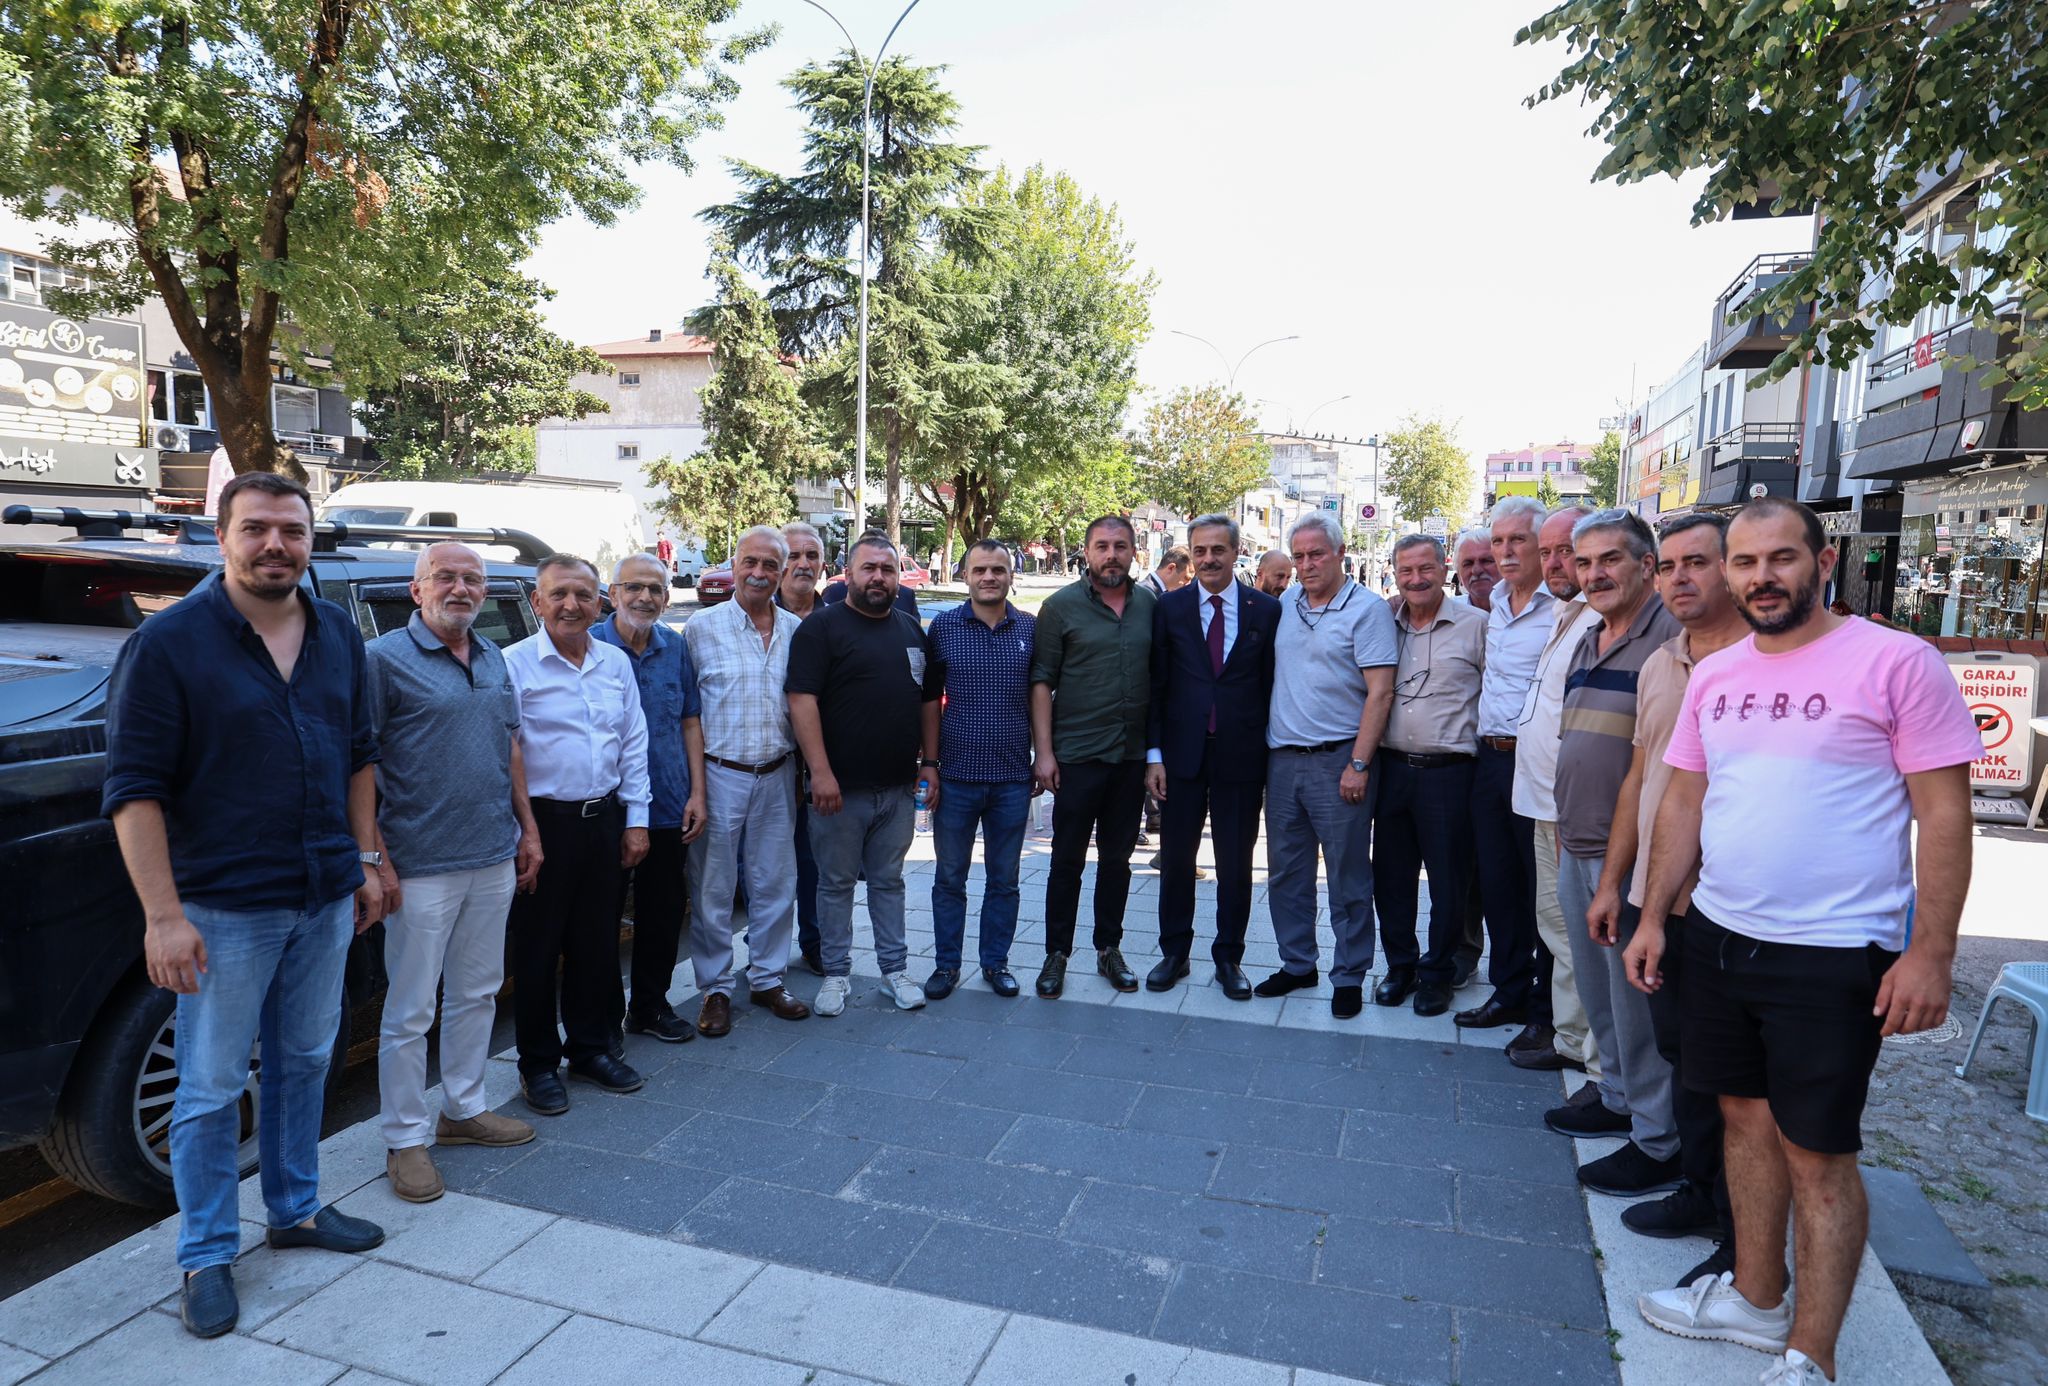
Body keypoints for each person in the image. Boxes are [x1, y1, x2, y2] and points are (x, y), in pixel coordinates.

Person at [1632, 498, 1979, 1386]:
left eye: (1781, 559)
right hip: (1719, 934)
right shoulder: (1717, 673)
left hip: (1834, 952)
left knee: (1818, 1153)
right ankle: (1755, 1298)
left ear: (1823, 563)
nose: (1761, 578)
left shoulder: (1898, 661)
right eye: (1744, 563)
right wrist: (1653, 914)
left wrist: (1930, 952)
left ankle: (1810, 1357)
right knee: (1742, 1119)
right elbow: (1684, 799)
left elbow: (1943, 813)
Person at [104, 471, 387, 1338]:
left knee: (305, 1057)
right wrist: (163, 916)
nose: (276, 545)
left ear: (309, 542)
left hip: (323, 893)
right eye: (258, 529)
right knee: (212, 1087)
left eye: (292, 531)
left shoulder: (337, 632)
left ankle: (296, 1210)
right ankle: (205, 1255)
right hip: (225, 907)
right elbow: (135, 791)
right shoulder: (171, 644)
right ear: (221, 537)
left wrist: (368, 857)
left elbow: (359, 757)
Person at [1587, 513, 1746, 1285]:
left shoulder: (1767, 662)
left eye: (1699, 564)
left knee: (1736, 1080)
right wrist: (1618, 884)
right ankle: (1697, 1190)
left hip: (1734, 908)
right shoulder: (1662, 663)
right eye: (1672, 566)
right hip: (1662, 899)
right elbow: (1640, 783)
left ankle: (1739, 1224)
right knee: (1684, 1053)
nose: (1682, 579)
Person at [368, 543, 542, 1206]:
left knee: (478, 992)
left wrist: (527, 829)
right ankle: (406, 1137)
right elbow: (358, 765)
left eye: (473, 579)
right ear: (418, 589)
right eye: (446, 576)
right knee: (411, 1009)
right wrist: (375, 856)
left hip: (493, 855)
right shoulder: (381, 661)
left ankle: (463, 1109)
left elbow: (509, 744)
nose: (462, 588)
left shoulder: (493, 653)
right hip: (418, 866)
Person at [1543, 508, 1685, 1200]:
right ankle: (1617, 1098)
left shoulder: (1673, 640)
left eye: (1610, 561)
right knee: (1599, 992)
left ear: (1645, 567)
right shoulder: (1589, 635)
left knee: (1636, 1004)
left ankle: (1657, 1142)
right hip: (1579, 840)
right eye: (1584, 561)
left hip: (1628, 853)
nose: (1594, 574)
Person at [505, 554, 652, 1111]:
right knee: (538, 950)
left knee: (596, 943)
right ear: (537, 603)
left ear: (600, 603)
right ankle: (538, 1065)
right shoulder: (515, 664)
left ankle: (590, 1048)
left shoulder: (614, 664)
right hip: (543, 826)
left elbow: (633, 744)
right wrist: (525, 831)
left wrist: (636, 820)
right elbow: (508, 750)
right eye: (558, 595)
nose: (571, 605)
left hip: (604, 821)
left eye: (583, 595)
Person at [789, 532, 943, 1014]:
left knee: (888, 882)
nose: (879, 577)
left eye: (888, 569)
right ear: (848, 574)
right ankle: (835, 974)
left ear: (899, 577)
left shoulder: (910, 630)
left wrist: (930, 764)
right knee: (833, 885)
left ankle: (893, 971)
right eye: (869, 568)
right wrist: (821, 773)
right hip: (838, 791)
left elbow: (926, 704)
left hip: (898, 789)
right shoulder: (822, 629)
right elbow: (801, 701)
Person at [1261, 513, 1398, 1016]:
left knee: (1346, 876)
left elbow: (1381, 692)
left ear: (1342, 553)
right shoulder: (1287, 605)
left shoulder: (1367, 611)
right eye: (1297, 556)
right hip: (1283, 763)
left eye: (1316, 554)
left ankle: (1349, 974)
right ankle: (1298, 964)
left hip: (1340, 759)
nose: (1306, 564)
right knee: (1286, 875)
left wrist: (1359, 764)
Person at [1146, 514, 1281, 999]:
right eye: (1199, 551)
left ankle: (1229, 957)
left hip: (1242, 756)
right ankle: (1174, 953)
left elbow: (1271, 683)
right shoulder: (1170, 608)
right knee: (1178, 859)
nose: (1207, 559)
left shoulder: (1266, 610)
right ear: (1190, 553)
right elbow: (1156, 685)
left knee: (1235, 862)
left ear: (1235, 552)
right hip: (1181, 757)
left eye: (1217, 550)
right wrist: (1154, 754)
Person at [684, 527, 809, 1034]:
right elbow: (687, 713)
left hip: (778, 772)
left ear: (782, 573)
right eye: (749, 562)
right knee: (713, 887)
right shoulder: (700, 628)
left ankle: (768, 979)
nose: (758, 573)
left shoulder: (797, 632)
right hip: (718, 774)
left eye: (769, 566)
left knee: (776, 884)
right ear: (734, 565)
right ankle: (716, 989)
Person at [1031, 514, 1157, 998]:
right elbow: (1042, 681)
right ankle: (1056, 954)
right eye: (1102, 546)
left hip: (1129, 758)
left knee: (1117, 860)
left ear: (1133, 551)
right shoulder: (1060, 607)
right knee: (1066, 860)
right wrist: (1044, 753)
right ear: (1086, 552)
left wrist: (1153, 757)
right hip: (1077, 756)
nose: (1111, 555)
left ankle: (1109, 948)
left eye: (1120, 546)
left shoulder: (1149, 605)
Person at [592, 553, 708, 1045]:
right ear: (613, 594)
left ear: (666, 597)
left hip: (667, 802)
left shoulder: (674, 646)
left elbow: (689, 719)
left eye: (655, 589)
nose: (645, 598)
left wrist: (698, 791)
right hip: (603, 807)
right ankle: (601, 1020)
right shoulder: (590, 644)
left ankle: (649, 1008)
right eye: (633, 588)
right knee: (599, 918)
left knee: (662, 913)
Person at [1371, 535, 1487, 1018]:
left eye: (1426, 569)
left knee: (1449, 882)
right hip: (1392, 769)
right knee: (1391, 878)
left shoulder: (1477, 626)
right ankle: (1400, 966)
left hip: (1451, 773)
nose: (1416, 580)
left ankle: (1438, 973)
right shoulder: (1383, 623)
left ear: (1445, 569)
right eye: (1405, 571)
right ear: (1394, 573)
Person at [1507, 506, 1601, 1073]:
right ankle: (1571, 1042)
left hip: (1574, 813)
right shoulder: (1568, 612)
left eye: (1567, 550)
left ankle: (1599, 1065)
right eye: (1549, 552)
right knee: (1556, 929)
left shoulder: (1600, 618)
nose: (1555, 562)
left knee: (1578, 940)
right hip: (1543, 803)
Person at [1455, 497, 1553, 1032]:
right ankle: (1508, 991)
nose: (1506, 551)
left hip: (1535, 763)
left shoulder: (1562, 607)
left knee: (1542, 893)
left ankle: (1546, 1007)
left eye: (1518, 540)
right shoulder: (1492, 603)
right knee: (1497, 885)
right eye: (1499, 541)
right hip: (1488, 763)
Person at [924, 539, 1036, 999]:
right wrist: (928, 763)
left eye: (998, 570)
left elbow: (1041, 698)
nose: (989, 577)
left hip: (1012, 779)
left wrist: (1041, 758)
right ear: (965, 576)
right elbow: (928, 701)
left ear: (1011, 575)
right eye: (979, 570)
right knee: (950, 878)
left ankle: (995, 963)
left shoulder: (1030, 629)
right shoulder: (944, 628)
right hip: (955, 777)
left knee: (1004, 880)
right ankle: (947, 966)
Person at [777, 521, 829, 975]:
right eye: (793, 556)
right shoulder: (755, 612)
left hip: (823, 763)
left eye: (811, 556)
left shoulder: (837, 614)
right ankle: (764, 939)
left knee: (815, 858)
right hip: (769, 761)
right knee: (766, 860)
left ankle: (814, 940)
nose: (803, 564)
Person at [1455, 528, 1500, 613]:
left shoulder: (1528, 612)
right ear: (1459, 576)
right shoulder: (1446, 615)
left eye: (1486, 561)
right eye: (1468, 563)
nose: (1477, 570)